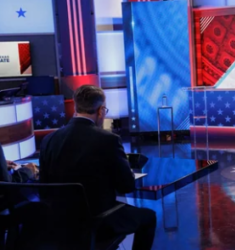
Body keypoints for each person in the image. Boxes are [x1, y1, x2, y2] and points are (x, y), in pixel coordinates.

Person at [39, 85, 156, 250]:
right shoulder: (108, 140)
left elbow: (43, 189)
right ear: (101, 111)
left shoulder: (49, 140)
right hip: (97, 220)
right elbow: (126, 185)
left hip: (59, 222)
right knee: (148, 217)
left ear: (75, 106)